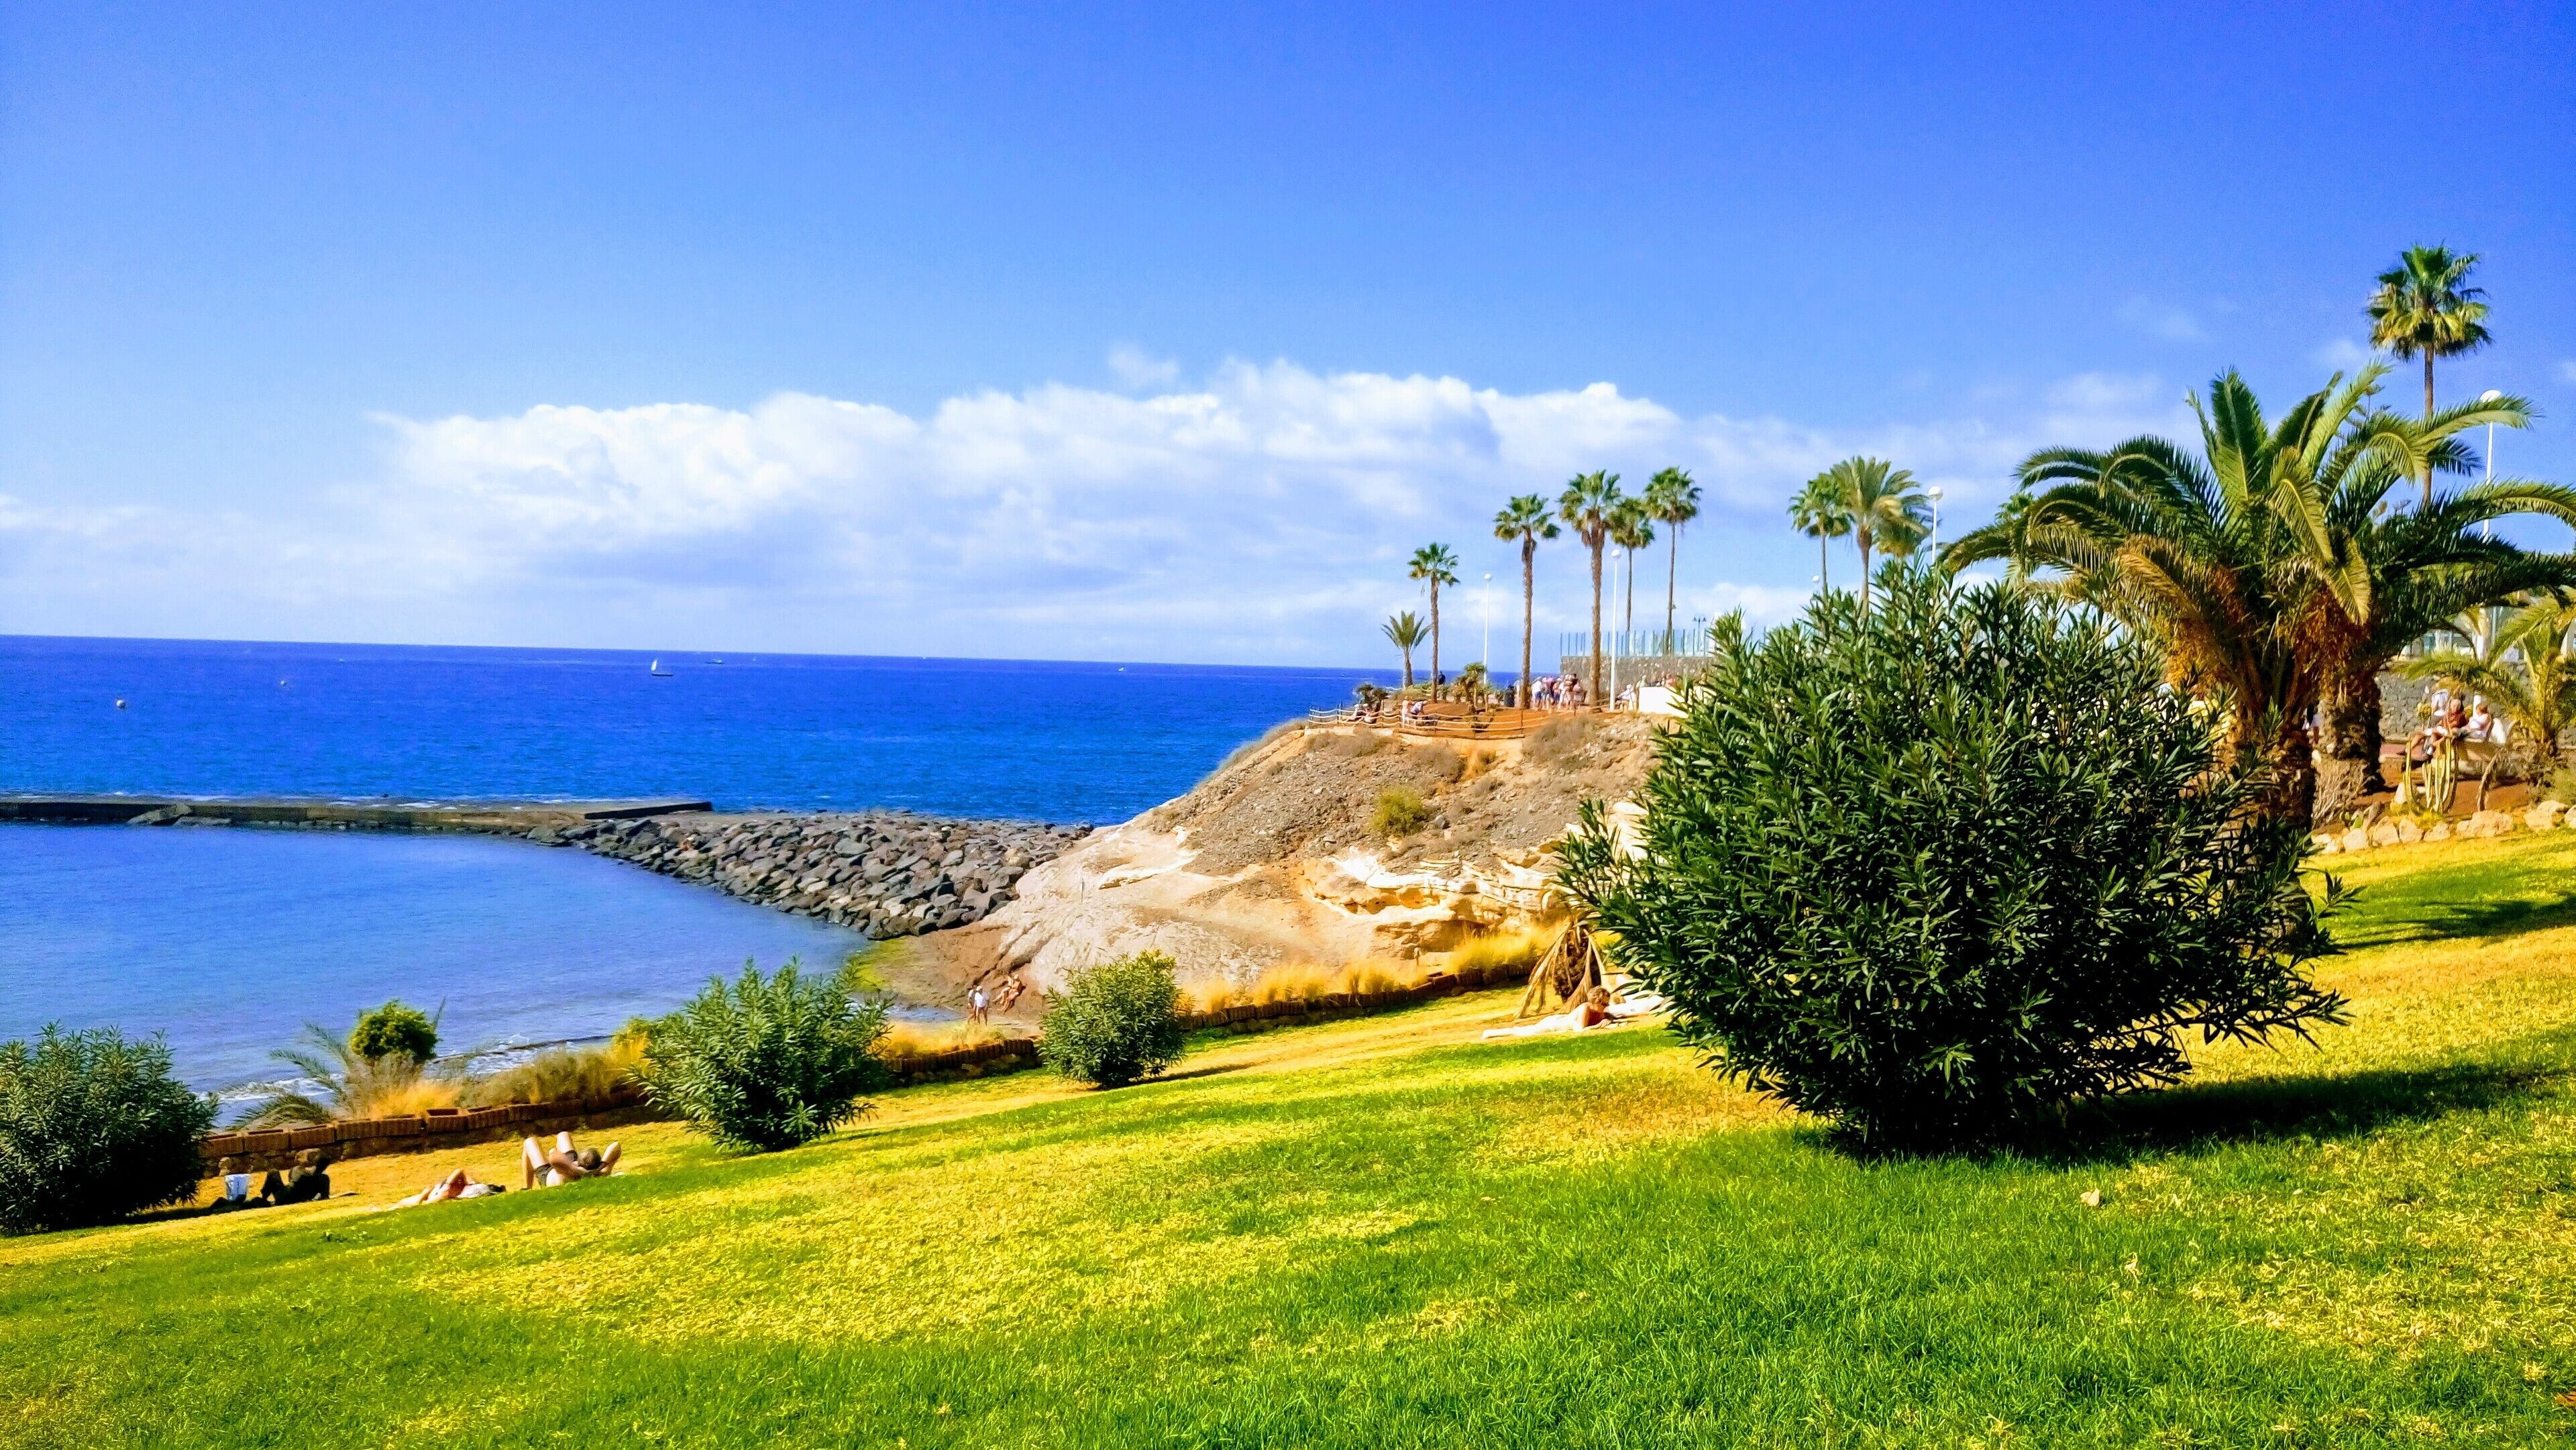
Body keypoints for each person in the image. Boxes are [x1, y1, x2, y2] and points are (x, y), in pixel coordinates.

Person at [1482, 986, 1617, 1040]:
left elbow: (1609, 1017)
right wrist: (1600, 1026)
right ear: (1594, 1002)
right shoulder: (1585, 1009)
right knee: (1523, 1032)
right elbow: (1579, 1031)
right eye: (1603, 1004)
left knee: (1525, 1031)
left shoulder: (1599, 1011)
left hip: (1560, 1020)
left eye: (1607, 1004)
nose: (1605, 1007)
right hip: (1552, 1024)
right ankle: (1490, 1033)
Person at [523, 1131, 621, 1189]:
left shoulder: (572, 1173)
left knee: (529, 1142)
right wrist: (601, 1165)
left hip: (548, 1174)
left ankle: (527, 1188)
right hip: (566, 1165)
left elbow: (553, 1154)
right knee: (563, 1135)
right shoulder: (602, 1172)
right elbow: (616, 1146)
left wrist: (575, 1170)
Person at [395, 1168, 504, 1208]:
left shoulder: (452, 1195)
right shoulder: (473, 1186)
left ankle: (380, 1211)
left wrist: (424, 1195)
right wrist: (448, 1185)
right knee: (401, 1203)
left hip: (435, 1195)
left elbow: (423, 1205)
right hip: (437, 1192)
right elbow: (460, 1171)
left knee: (402, 1204)